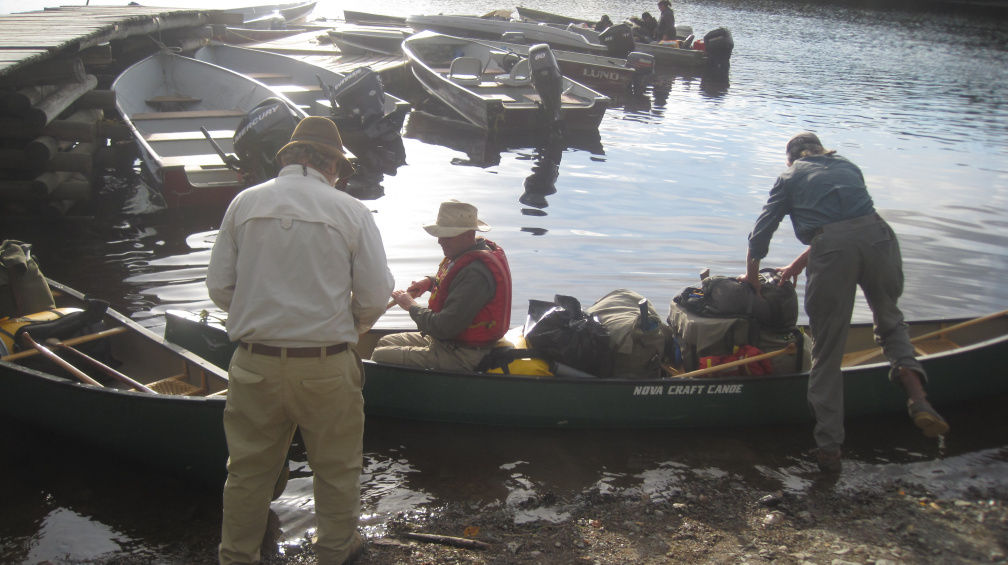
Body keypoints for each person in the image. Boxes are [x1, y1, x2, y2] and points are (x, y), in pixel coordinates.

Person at [207, 116, 394, 565]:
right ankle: (333, 553)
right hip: (326, 365)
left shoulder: (244, 203)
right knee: (336, 471)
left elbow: (219, 287)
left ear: (290, 158)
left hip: (255, 363)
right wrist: (348, 324)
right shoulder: (351, 211)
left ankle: (237, 558)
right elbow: (375, 295)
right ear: (328, 163)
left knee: (248, 473)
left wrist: (259, 317)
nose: (338, 176)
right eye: (339, 168)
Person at [740, 132, 949, 474]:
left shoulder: (789, 177)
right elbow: (849, 225)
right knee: (891, 322)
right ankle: (918, 397)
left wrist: (751, 275)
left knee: (827, 351)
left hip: (833, 254)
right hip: (880, 238)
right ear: (822, 151)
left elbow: (763, 232)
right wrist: (797, 265)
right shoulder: (847, 166)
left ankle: (829, 452)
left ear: (791, 159)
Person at [372, 200, 512, 372]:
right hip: (450, 343)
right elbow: (456, 286)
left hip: (465, 354)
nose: (439, 241)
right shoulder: (468, 254)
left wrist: (410, 306)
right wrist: (430, 282)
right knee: (385, 342)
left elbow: (443, 327)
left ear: (469, 234)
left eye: (447, 235)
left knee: (380, 357)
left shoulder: (476, 274)